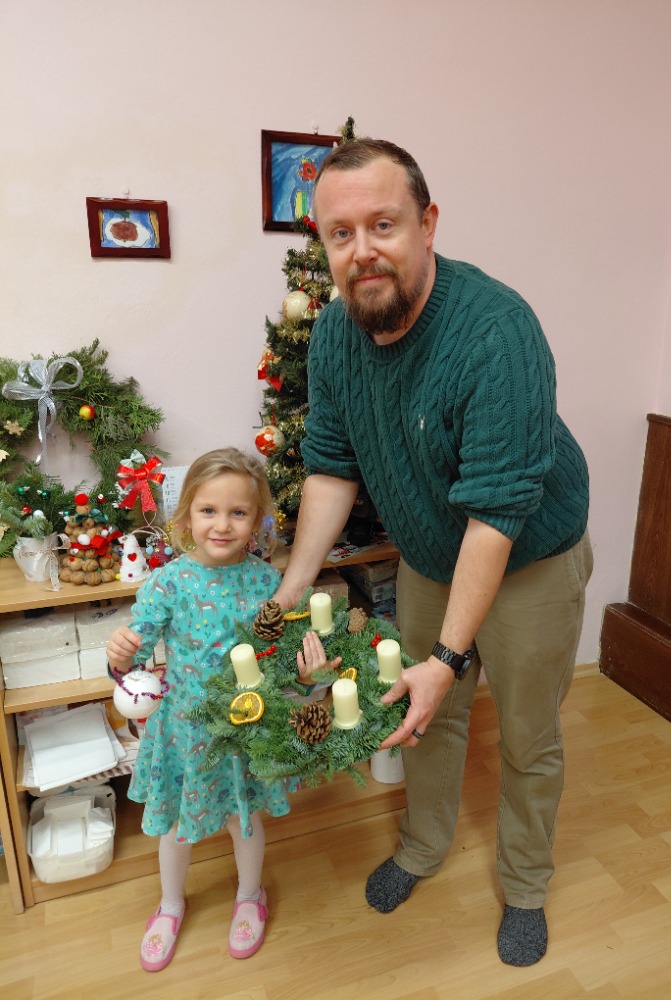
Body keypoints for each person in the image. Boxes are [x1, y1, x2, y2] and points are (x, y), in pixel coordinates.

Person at [272, 138, 593, 968]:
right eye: (341, 233)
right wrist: (292, 585)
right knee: (420, 715)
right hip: (430, 552)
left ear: (428, 223)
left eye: (383, 224)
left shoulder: (496, 331)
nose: (362, 250)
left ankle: (525, 883)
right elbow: (330, 466)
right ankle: (422, 846)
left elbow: (496, 515)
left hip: (528, 552)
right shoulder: (335, 334)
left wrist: (451, 654)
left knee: (527, 734)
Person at [106, 447, 334, 972]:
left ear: (257, 519)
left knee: (243, 817)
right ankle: (170, 904)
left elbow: (281, 660)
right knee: (173, 824)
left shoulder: (267, 584)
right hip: (183, 731)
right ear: (186, 515)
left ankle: (250, 895)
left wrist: (305, 675)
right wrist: (120, 654)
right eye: (209, 510)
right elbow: (133, 660)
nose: (223, 524)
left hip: (245, 731)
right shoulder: (167, 583)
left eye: (238, 512)